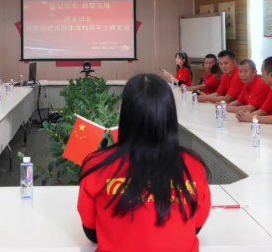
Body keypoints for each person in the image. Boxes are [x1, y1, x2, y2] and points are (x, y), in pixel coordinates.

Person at [78, 73, 211, 252]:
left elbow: (91, 231)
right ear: (170, 115)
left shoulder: (97, 164)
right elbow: (196, 226)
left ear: (124, 113)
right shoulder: (193, 164)